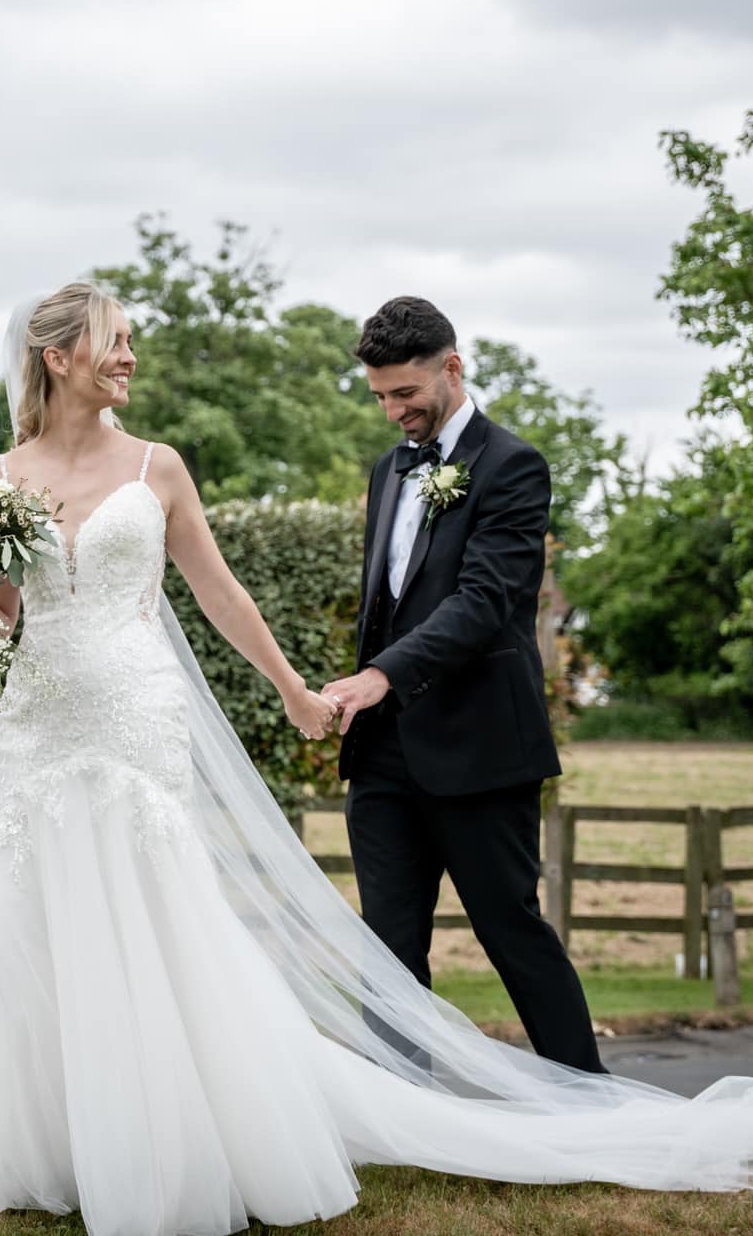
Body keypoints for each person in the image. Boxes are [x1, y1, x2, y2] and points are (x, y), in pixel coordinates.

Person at [0, 281, 753, 1236]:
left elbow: (250, 596)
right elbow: (3, 625)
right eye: (113, 342)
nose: (130, 357)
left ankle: (576, 1099)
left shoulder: (165, 466)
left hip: (180, 722)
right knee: (50, 926)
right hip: (44, 723)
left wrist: (300, 689)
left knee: (448, 924)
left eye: (131, 340)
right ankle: (59, 1143)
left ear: (448, 370)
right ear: (57, 355)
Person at [321, 295, 603, 1072]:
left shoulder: (513, 466)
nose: (392, 412)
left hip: (480, 748)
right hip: (383, 757)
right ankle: (405, 1108)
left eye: (405, 394)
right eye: (379, 397)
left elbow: (485, 604)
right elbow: (388, 602)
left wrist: (380, 675)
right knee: (386, 945)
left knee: (510, 930)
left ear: (452, 367)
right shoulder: (388, 470)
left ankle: (590, 1096)